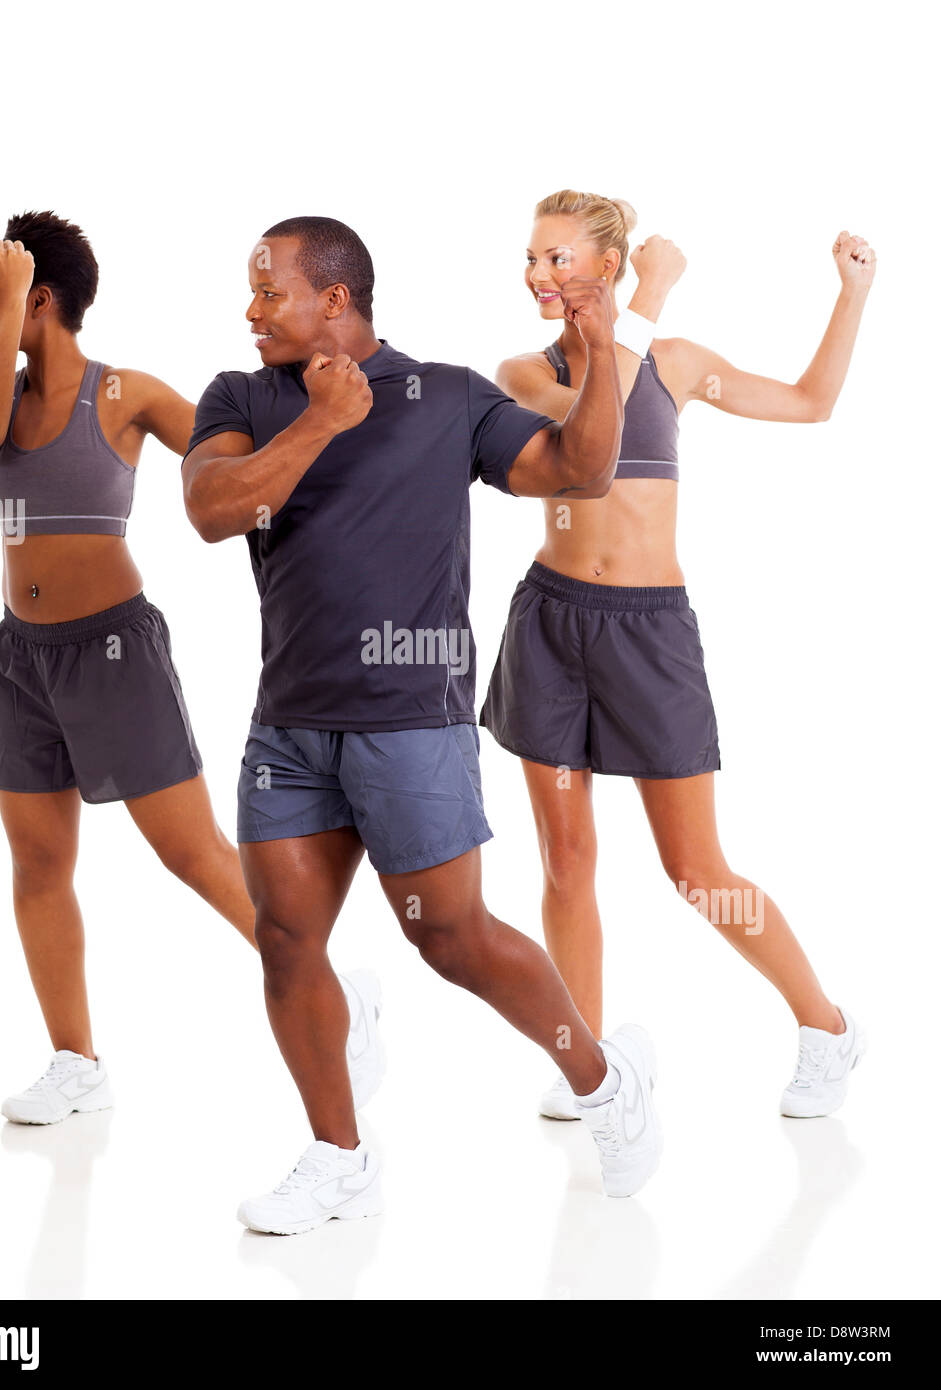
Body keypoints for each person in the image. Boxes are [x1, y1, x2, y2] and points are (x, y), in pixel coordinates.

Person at [183, 215, 686, 1233]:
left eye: (267, 290)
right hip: (288, 725)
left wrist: (594, 359)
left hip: (411, 718)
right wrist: (320, 421)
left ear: (335, 298)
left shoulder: (447, 396)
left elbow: (577, 470)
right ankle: (340, 1154)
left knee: (450, 938)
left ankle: (602, 1077)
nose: (249, 309)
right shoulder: (239, 397)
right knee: (285, 937)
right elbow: (212, 509)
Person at [0, 211, 383, 1126]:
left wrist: (324, 431)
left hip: (113, 650)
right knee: (37, 864)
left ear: (41, 301)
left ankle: (336, 994)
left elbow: (233, 468)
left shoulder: (126, 396)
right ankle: (75, 1061)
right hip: (20, 658)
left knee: (193, 855)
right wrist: (2, 315)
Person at [479, 189, 874, 1122]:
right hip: (550, 621)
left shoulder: (678, 364)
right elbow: (591, 433)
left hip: (649, 632)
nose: (538, 274)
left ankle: (825, 1026)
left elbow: (811, 405)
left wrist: (850, 295)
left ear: (606, 266)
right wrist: (647, 298)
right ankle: (589, 1062)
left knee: (696, 868)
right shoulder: (522, 373)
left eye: (558, 258)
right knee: (566, 859)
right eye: (531, 258)